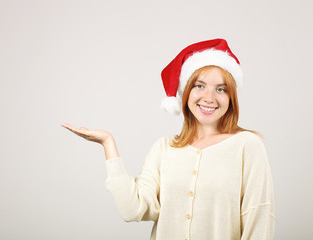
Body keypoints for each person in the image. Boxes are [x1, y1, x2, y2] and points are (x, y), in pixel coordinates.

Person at [61, 39, 275, 240]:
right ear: (185, 92)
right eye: (199, 86)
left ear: (231, 97)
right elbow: (131, 209)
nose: (209, 97)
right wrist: (108, 144)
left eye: (221, 89)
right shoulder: (164, 148)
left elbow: (259, 220)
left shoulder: (247, 146)